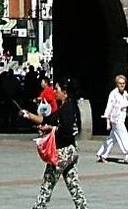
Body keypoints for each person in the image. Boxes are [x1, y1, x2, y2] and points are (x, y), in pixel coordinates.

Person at [20, 78, 88, 209]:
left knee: (48, 183)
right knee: (72, 182)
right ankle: (82, 207)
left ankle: (39, 207)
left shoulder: (68, 108)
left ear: (65, 92)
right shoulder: (65, 107)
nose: (54, 92)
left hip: (62, 152)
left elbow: (67, 130)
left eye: (57, 89)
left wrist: (51, 129)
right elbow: (47, 119)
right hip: (70, 151)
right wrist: (28, 115)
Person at [95, 74, 128, 165]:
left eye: (123, 83)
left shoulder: (125, 93)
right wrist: (107, 122)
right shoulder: (113, 94)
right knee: (124, 137)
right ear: (117, 84)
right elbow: (109, 107)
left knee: (112, 139)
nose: (122, 85)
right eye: (120, 83)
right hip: (116, 120)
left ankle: (102, 154)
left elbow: (126, 105)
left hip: (122, 118)